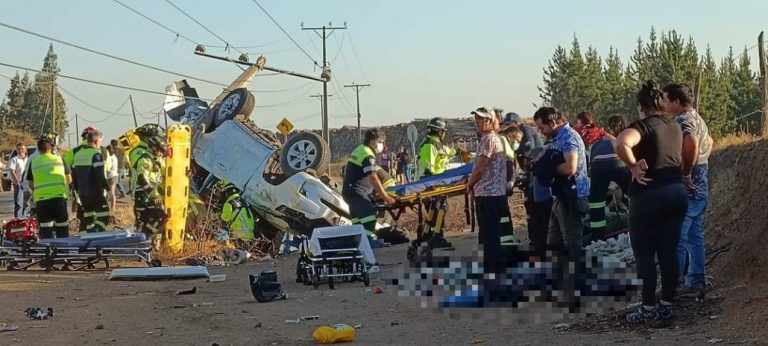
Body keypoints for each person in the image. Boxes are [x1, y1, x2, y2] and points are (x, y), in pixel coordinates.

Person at [615, 80, 688, 324]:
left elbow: (622, 142)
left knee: (645, 254)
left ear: (641, 107)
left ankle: (647, 308)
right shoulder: (675, 126)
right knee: (669, 252)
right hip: (676, 193)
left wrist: (633, 165)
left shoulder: (643, 127)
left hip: (649, 195)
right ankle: (666, 305)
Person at [662, 83, 713, 299]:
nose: (663, 104)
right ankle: (696, 280)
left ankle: (673, 285)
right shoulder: (697, 117)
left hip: (691, 181)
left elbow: (691, 142)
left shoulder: (683, 120)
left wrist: (685, 172)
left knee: (679, 235)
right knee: (694, 234)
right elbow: (709, 142)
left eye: (665, 99)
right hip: (701, 176)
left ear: (675, 101)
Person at [533, 107, 589, 257]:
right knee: (553, 242)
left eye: (541, 127)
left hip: (571, 197)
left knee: (572, 244)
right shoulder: (558, 138)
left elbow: (571, 167)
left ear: (552, 122)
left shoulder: (568, 137)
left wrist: (550, 169)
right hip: (559, 196)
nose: (540, 131)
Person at [467, 106, 513, 275]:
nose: (478, 122)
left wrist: (469, 184)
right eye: (477, 119)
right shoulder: (495, 139)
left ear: (491, 121)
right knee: (490, 233)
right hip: (495, 193)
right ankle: (491, 267)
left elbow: (479, 169)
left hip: (488, 193)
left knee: (489, 234)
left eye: (482, 119)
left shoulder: (488, 140)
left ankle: (491, 269)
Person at [341, 129, 396, 240]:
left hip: (350, 192)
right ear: (372, 142)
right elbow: (373, 178)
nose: (382, 145)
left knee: (358, 223)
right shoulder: (368, 154)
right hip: (358, 192)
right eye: (380, 141)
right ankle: (367, 244)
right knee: (369, 219)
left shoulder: (360, 149)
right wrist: (386, 196)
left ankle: (358, 246)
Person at [587, 115, 631, 241]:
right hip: (620, 163)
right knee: (632, 196)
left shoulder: (597, 144)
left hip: (598, 166)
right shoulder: (625, 139)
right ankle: (635, 230)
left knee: (596, 202)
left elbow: (591, 167)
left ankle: (597, 237)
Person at [416, 117, 458, 249]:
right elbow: (428, 168)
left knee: (436, 209)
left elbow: (447, 153)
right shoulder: (429, 145)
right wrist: (438, 183)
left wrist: (459, 152)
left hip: (437, 184)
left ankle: (430, 235)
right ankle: (436, 237)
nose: (444, 134)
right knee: (439, 209)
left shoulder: (437, 144)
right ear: (439, 131)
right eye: (443, 131)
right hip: (431, 184)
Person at [26, 133, 70, 239]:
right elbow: (69, 179)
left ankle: (48, 253)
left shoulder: (34, 162)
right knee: (62, 228)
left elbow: (30, 184)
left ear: (39, 149)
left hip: (42, 201)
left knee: (46, 230)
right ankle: (63, 252)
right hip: (59, 199)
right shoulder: (60, 159)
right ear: (52, 148)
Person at [132, 134, 167, 250]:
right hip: (143, 195)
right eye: (160, 150)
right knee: (147, 219)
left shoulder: (158, 161)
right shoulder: (145, 159)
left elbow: (166, 173)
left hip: (151, 195)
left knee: (159, 218)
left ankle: (149, 241)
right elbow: (142, 178)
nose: (162, 153)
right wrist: (153, 193)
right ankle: (143, 240)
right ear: (154, 148)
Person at [72, 130, 111, 232]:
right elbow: (100, 175)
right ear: (96, 141)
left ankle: (86, 238)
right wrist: (108, 188)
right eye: (100, 142)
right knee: (104, 217)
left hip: (83, 194)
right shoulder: (96, 155)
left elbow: (74, 176)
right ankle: (96, 235)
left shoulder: (78, 154)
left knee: (89, 219)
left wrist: (77, 190)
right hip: (95, 193)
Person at [8, 143, 29, 218]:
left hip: (27, 184)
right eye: (18, 149)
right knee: (18, 203)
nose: (20, 151)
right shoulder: (14, 159)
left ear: (25, 150)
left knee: (26, 203)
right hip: (18, 184)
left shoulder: (28, 159)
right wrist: (16, 182)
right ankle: (17, 219)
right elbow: (12, 171)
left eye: (22, 149)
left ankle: (25, 218)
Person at [105, 145, 120, 222]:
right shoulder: (114, 157)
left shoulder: (111, 158)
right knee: (111, 192)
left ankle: (113, 207)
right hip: (112, 176)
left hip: (112, 176)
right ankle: (112, 207)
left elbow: (108, 167)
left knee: (112, 192)